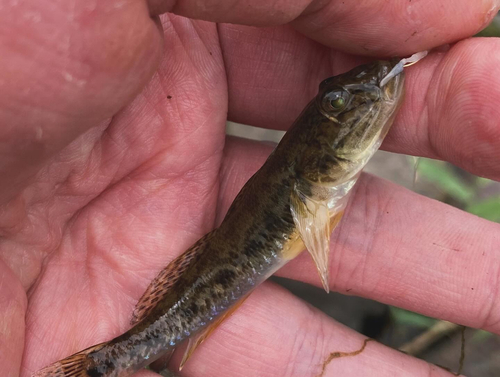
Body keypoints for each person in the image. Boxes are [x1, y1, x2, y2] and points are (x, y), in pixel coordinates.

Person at [2, 1, 500, 376]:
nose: (361, 98)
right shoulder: (311, 179)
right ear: (315, 153)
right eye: (336, 102)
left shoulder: (317, 175)